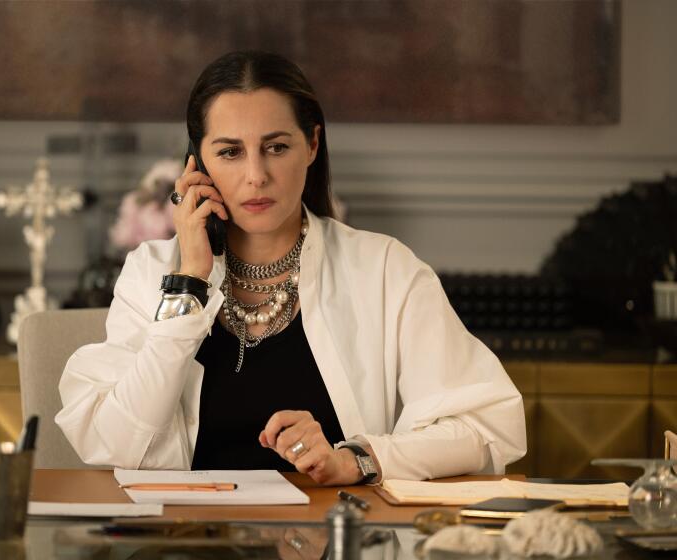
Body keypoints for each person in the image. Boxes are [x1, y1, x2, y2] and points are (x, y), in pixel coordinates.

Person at [56, 51, 526, 485]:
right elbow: (114, 443)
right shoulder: (152, 273)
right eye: (230, 152)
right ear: (197, 163)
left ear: (312, 144)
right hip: (180, 543)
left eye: (276, 147)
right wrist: (191, 280)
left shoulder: (383, 270)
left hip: (335, 542)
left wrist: (359, 458)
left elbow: (489, 425)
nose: (256, 175)